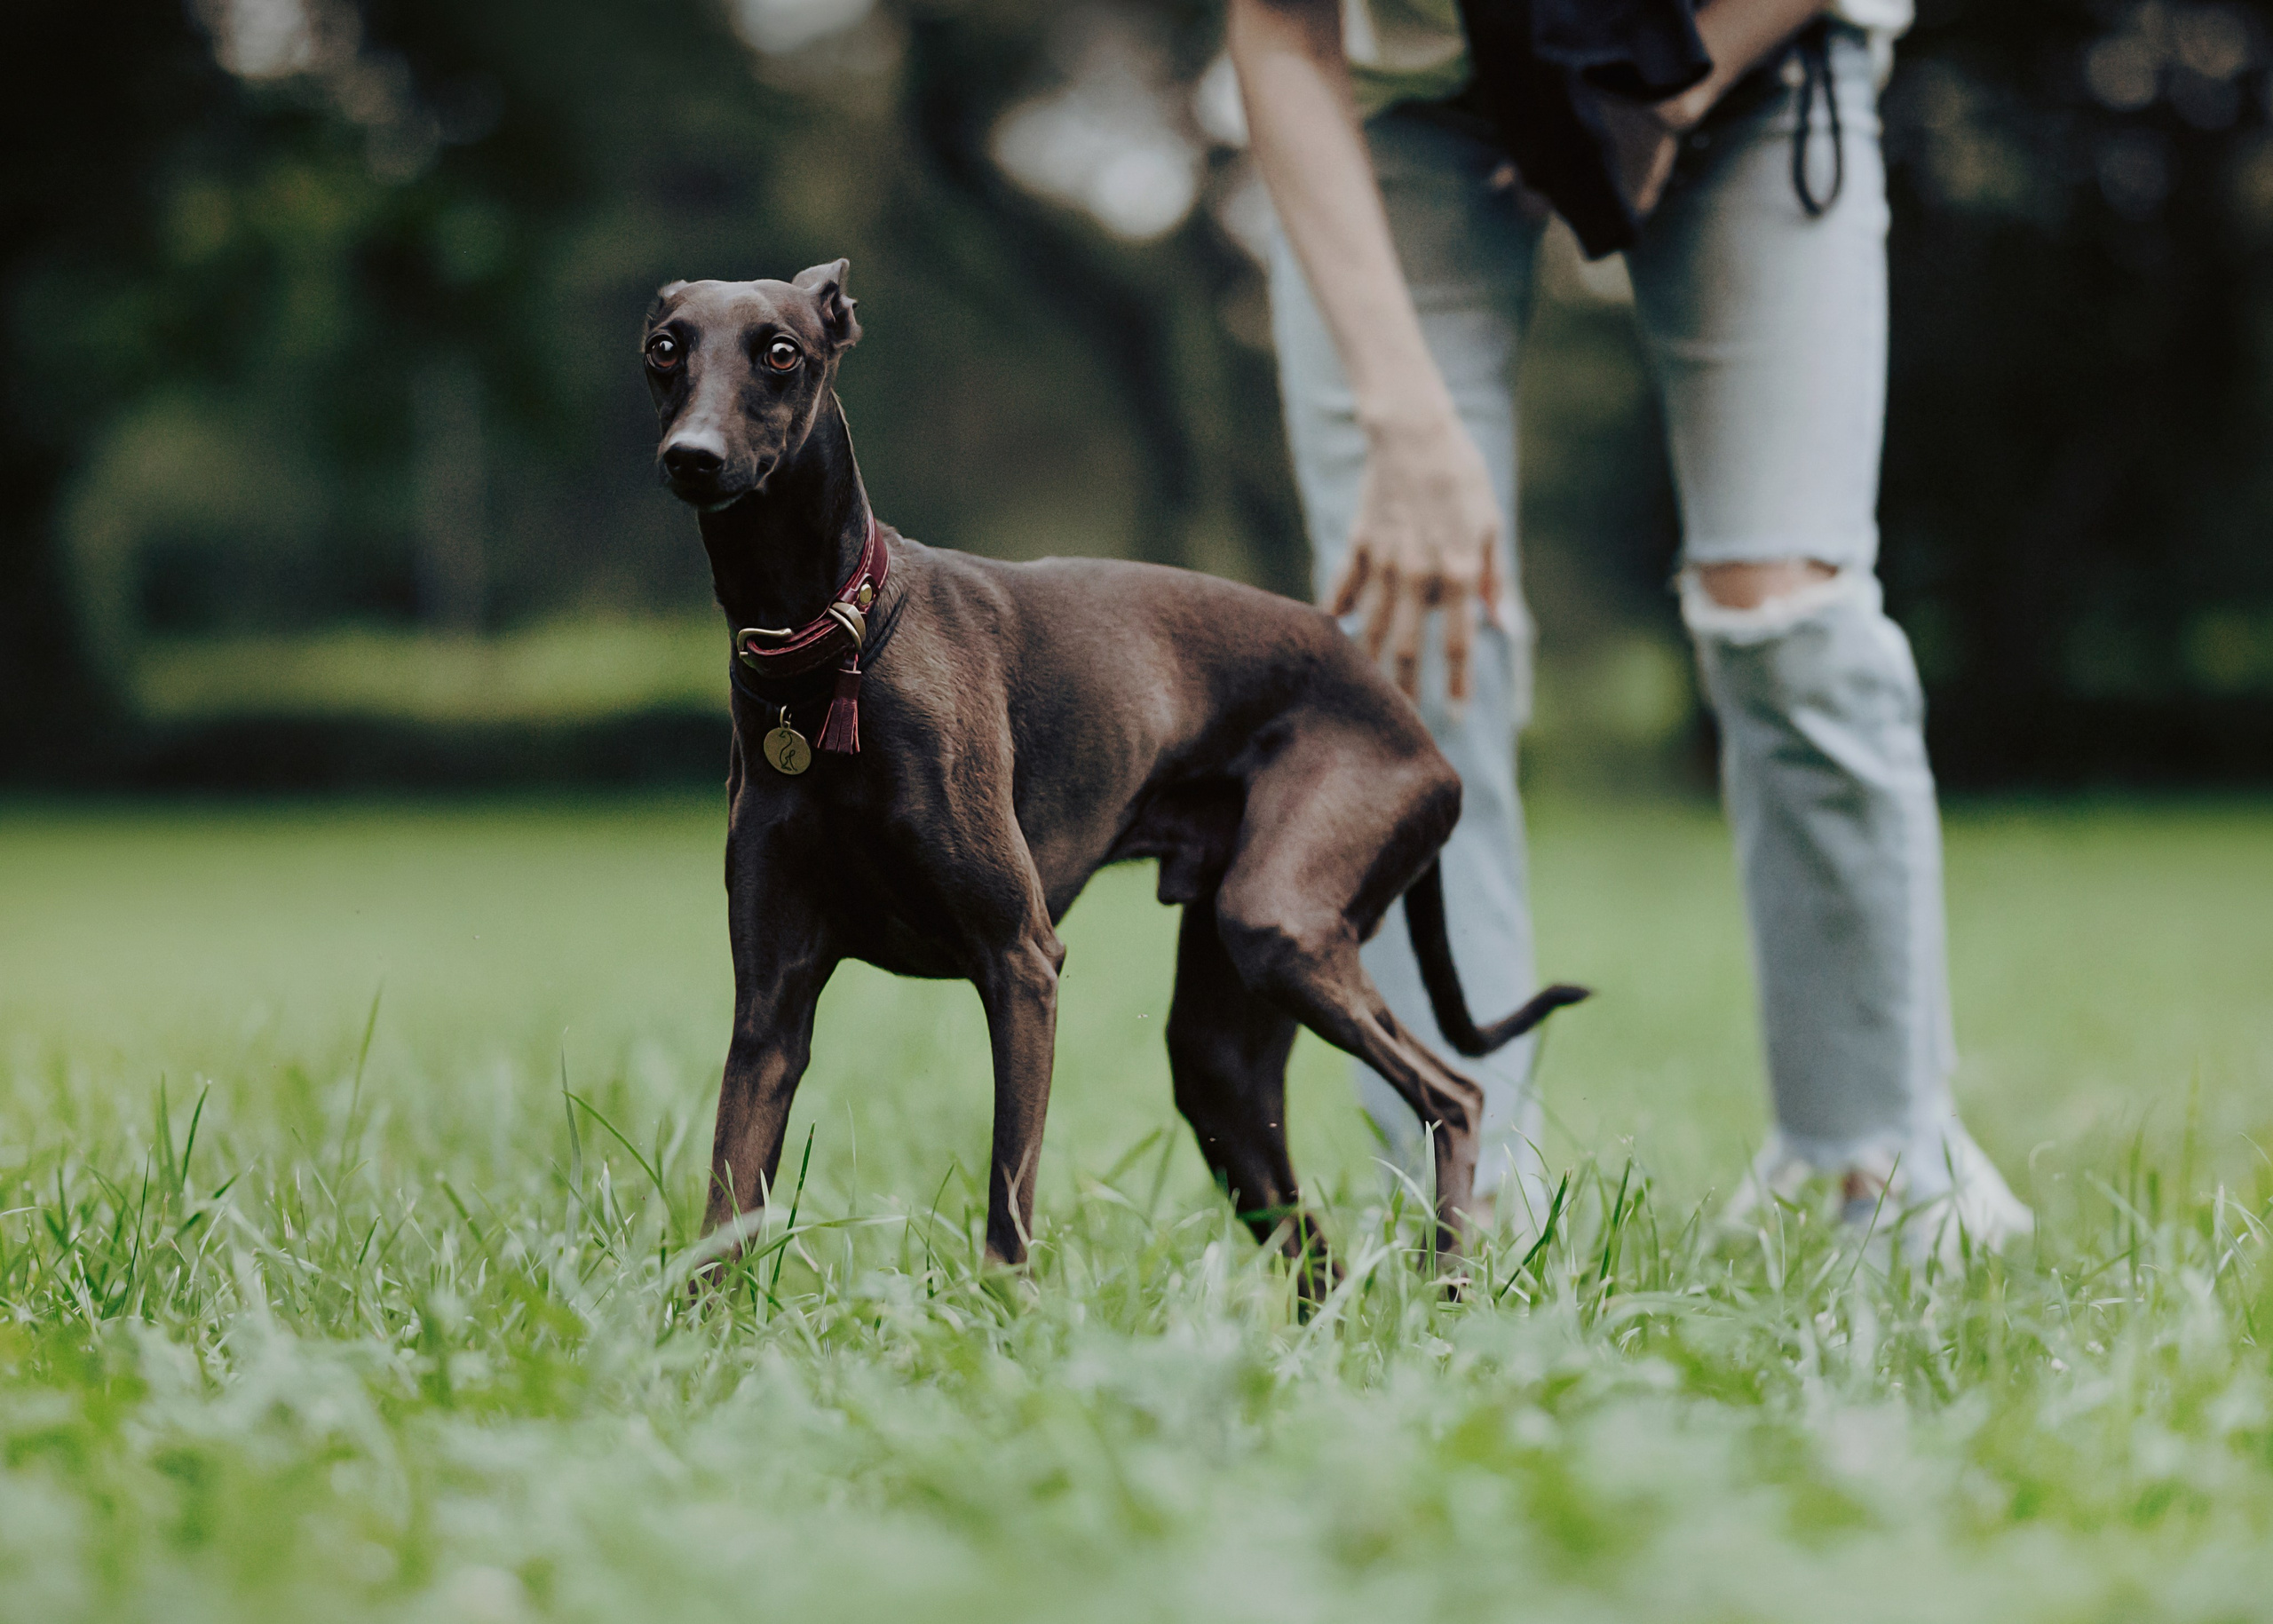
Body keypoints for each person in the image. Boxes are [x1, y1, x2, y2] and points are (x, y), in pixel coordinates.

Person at [1224, 0, 2034, 1257]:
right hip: (1397, 103)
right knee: (1409, 640)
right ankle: (1462, 1188)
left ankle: (1869, 1160)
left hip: (1748, 51)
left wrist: (1651, 99)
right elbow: (1279, 28)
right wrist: (1404, 418)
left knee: (1793, 620)